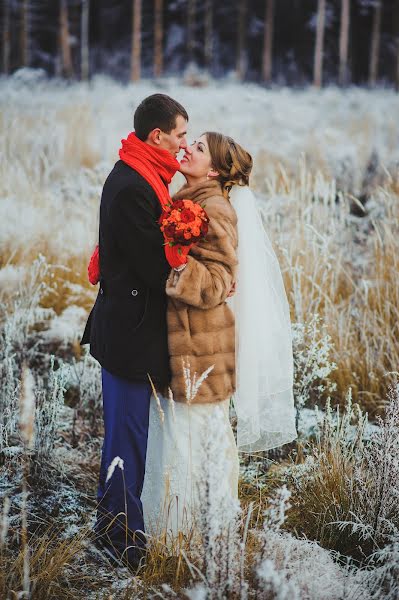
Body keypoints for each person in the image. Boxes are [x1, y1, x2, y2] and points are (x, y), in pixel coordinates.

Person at [141, 132, 298, 542]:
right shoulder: (188, 197)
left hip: (199, 347)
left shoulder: (216, 209)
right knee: (179, 436)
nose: (185, 148)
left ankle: (186, 539)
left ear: (213, 169)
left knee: (190, 438)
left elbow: (217, 284)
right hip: (182, 341)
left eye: (197, 148)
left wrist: (177, 266)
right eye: (187, 142)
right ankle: (176, 532)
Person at [80, 93, 191, 571]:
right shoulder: (133, 186)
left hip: (130, 328)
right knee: (127, 437)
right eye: (181, 135)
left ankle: (113, 525)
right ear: (157, 136)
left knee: (124, 435)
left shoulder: (144, 175)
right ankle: (123, 539)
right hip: (129, 334)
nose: (185, 144)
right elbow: (152, 267)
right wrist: (191, 245)